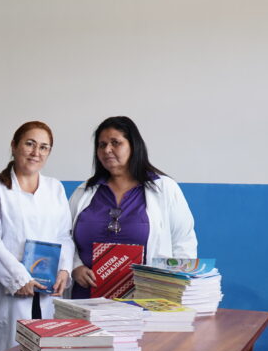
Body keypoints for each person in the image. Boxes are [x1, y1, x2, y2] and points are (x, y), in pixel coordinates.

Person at [0, 121, 73, 351]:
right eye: (30, 144)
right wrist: (19, 277)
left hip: (47, 294)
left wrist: (64, 269)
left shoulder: (55, 188)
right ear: (14, 146)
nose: (36, 152)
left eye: (44, 147)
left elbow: (64, 236)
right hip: (9, 293)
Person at [69, 116, 197, 298]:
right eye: (102, 144)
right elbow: (65, 238)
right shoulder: (83, 192)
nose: (107, 150)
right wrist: (75, 267)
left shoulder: (164, 189)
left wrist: (174, 288)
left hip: (147, 299)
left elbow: (183, 242)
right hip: (86, 298)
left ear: (133, 146)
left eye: (115, 143)